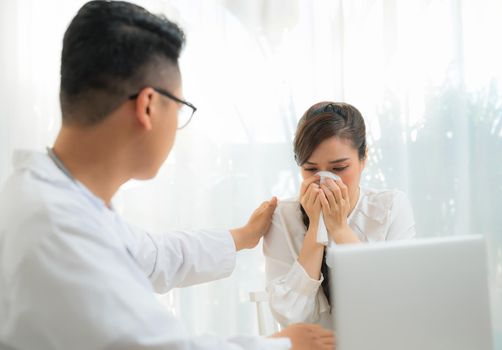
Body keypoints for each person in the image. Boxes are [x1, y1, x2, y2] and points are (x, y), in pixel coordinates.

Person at [0, 2, 335, 349]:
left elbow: (155, 254)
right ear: (147, 106)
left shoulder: (58, 199)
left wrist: (242, 236)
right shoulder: (55, 226)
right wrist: (283, 345)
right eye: (180, 108)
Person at [263, 102, 416, 329]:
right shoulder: (282, 216)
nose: (326, 180)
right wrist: (317, 227)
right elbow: (290, 317)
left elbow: (395, 304)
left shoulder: (391, 207)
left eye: (339, 168)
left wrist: (340, 230)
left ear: (363, 158)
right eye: (311, 170)